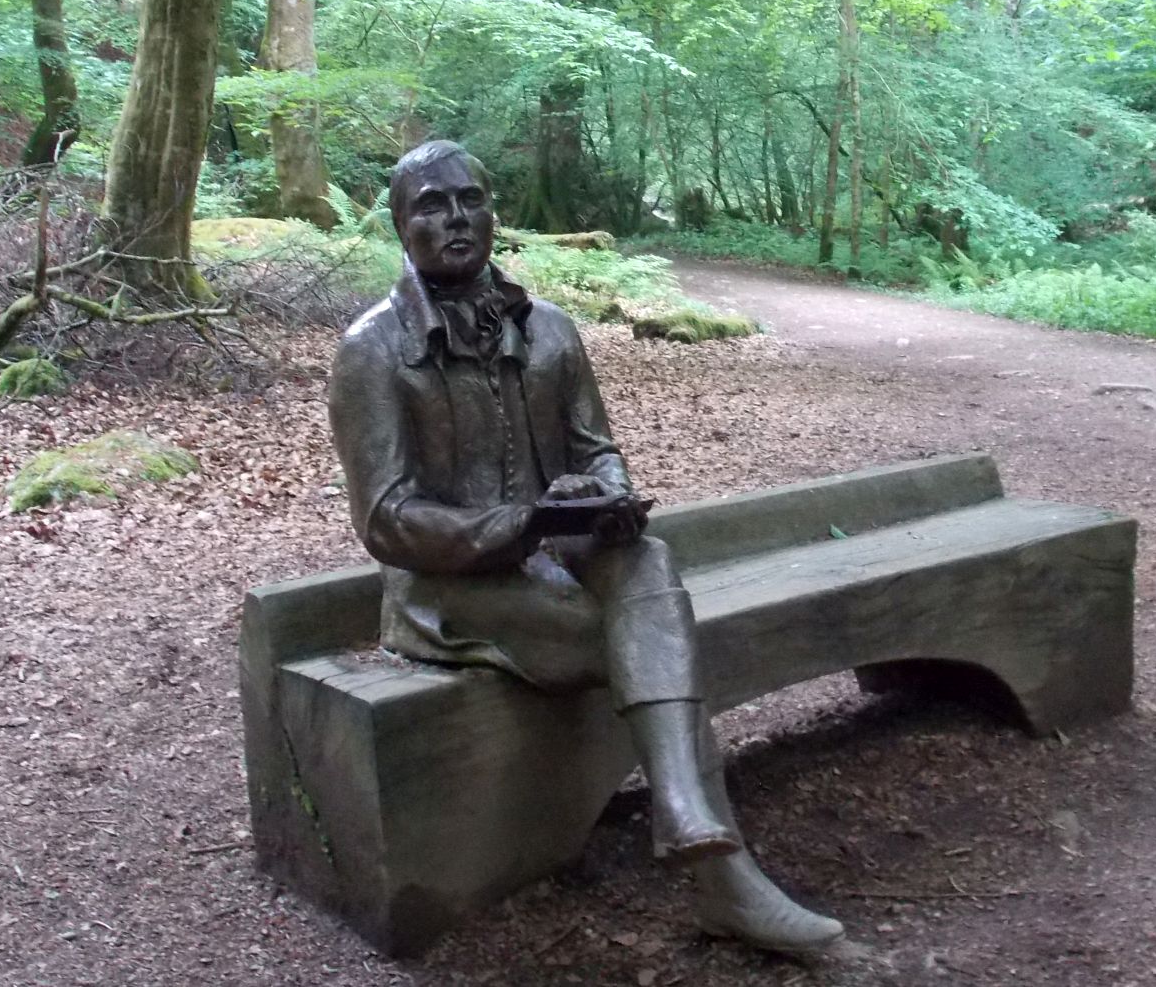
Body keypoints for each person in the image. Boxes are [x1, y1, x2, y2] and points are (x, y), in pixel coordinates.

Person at [326, 140, 843, 953]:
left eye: (472, 199)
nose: (456, 218)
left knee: (650, 563)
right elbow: (386, 518)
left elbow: (594, 448)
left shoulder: (552, 331)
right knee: (641, 640)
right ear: (399, 223)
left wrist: (605, 496)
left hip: (553, 558)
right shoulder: (372, 348)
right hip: (446, 592)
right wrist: (516, 526)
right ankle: (726, 880)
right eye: (431, 204)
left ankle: (681, 810)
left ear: (494, 213)